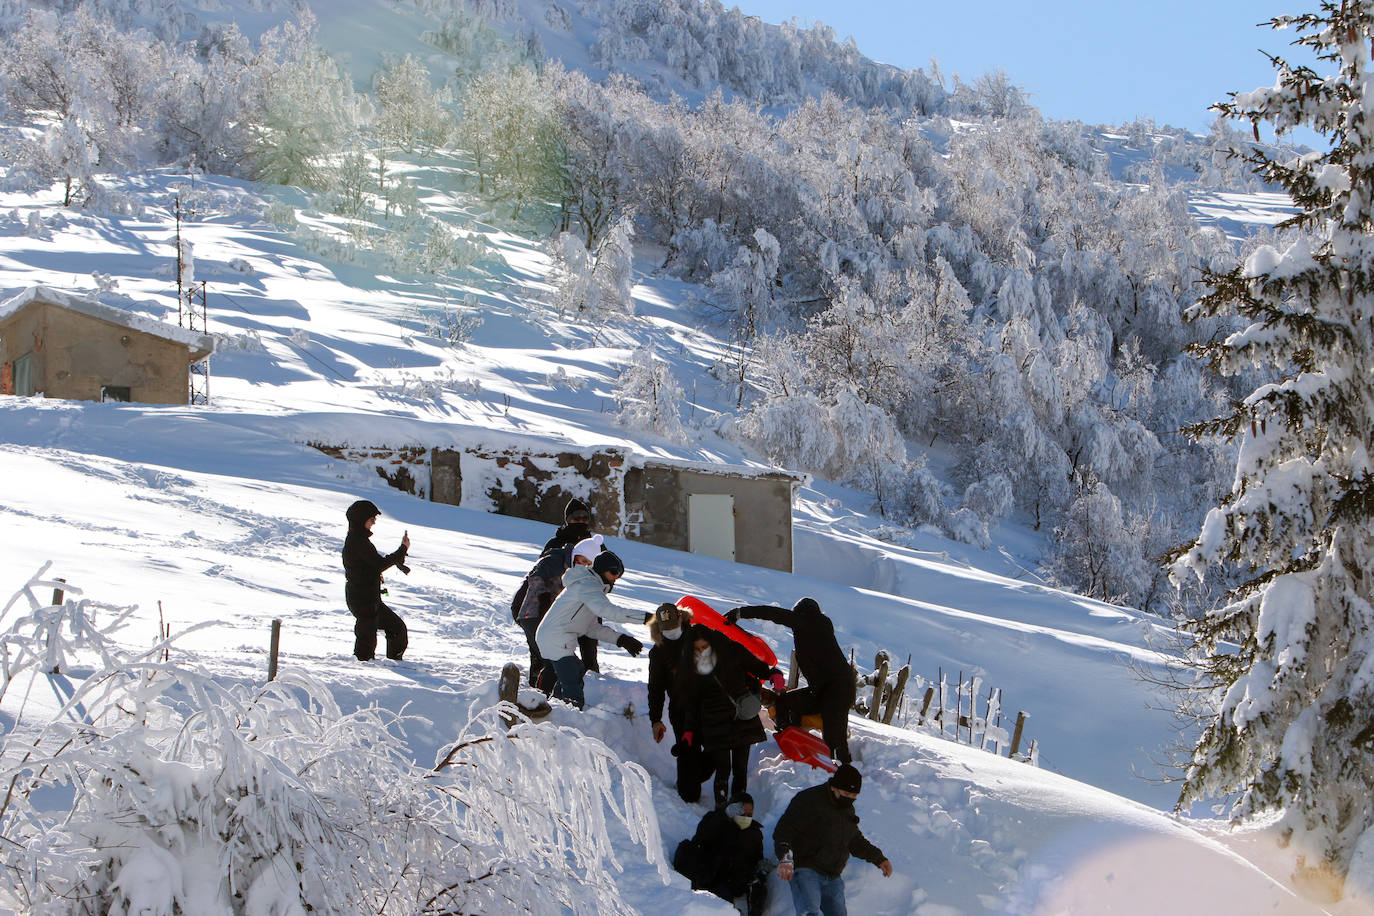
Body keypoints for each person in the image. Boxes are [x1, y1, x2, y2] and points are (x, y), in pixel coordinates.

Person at [726, 597, 857, 764]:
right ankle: (792, 741)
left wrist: (741, 612)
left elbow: (775, 614)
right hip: (821, 690)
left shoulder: (811, 621)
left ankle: (843, 773)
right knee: (784, 702)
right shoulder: (814, 627)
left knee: (834, 739)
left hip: (837, 689)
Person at [534, 535, 644, 708]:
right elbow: (609, 611)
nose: (616, 578)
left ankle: (555, 707)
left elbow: (591, 628)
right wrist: (647, 618)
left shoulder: (590, 587)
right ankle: (569, 714)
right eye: (614, 572)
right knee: (572, 681)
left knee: (575, 672)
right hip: (556, 638)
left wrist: (621, 639)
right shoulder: (588, 586)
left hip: (555, 637)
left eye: (619, 575)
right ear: (602, 569)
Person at [773, 764, 893, 916]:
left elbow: (854, 839)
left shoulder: (846, 809)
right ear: (834, 787)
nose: (849, 799)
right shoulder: (809, 800)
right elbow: (784, 830)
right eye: (846, 793)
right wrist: (785, 858)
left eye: (853, 796)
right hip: (807, 868)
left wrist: (878, 858)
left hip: (832, 874)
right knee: (809, 912)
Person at [676, 625, 774, 808]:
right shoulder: (691, 665)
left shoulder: (731, 650)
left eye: (703, 646)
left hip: (740, 716)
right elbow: (691, 701)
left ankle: (739, 807)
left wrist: (772, 674)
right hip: (714, 723)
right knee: (723, 769)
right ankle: (721, 809)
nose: (701, 651)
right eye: (696, 648)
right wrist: (689, 729)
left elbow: (756, 665)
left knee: (740, 768)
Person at [647, 603, 710, 802]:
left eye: (674, 626)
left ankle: (694, 780)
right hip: (681, 710)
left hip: (709, 706)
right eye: (666, 629)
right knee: (687, 752)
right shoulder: (658, 652)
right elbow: (655, 689)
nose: (671, 631)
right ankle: (688, 795)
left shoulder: (698, 637)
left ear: (681, 619)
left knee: (714, 750)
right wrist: (656, 719)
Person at [672, 794, 768, 916]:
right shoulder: (718, 821)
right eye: (742, 813)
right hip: (717, 877)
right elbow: (700, 838)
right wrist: (724, 815)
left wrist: (761, 866)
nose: (746, 818)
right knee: (722, 903)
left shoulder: (754, 834)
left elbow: (756, 857)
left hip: (739, 878)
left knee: (757, 884)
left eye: (749, 814)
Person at [341, 499, 410, 662]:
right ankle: (363, 669)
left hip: (368, 598)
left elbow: (375, 565)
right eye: (371, 519)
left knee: (396, 628)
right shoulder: (357, 542)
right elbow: (379, 564)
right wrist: (402, 550)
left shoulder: (359, 540)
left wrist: (400, 555)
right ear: (361, 519)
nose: (373, 523)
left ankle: (394, 663)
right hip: (362, 599)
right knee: (366, 640)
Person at [513, 543, 575, 692]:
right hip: (532, 613)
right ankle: (539, 696)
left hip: (535, 614)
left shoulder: (571, 566)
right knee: (551, 660)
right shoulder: (553, 561)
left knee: (543, 656)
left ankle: (534, 691)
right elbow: (537, 583)